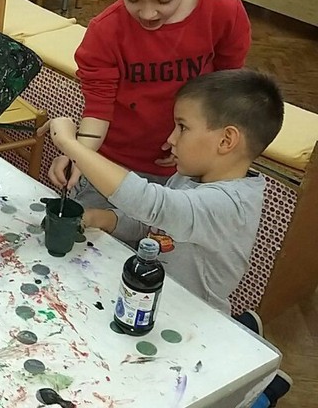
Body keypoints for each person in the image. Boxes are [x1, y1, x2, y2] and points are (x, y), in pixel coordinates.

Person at [41, 69, 291, 406]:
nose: (171, 139)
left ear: (226, 141)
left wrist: (72, 145)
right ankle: (247, 333)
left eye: (182, 127)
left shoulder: (228, 205)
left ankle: (261, 390)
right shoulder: (192, 177)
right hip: (157, 305)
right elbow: (151, 227)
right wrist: (103, 219)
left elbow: (152, 203)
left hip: (195, 326)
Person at [48, 0, 251, 242]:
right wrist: (78, 156)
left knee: (158, 258)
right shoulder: (106, 32)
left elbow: (226, 94)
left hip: (185, 175)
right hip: (112, 168)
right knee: (89, 246)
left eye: (164, 0)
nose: (148, 13)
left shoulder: (225, 16)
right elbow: (98, 109)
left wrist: (192, 142)